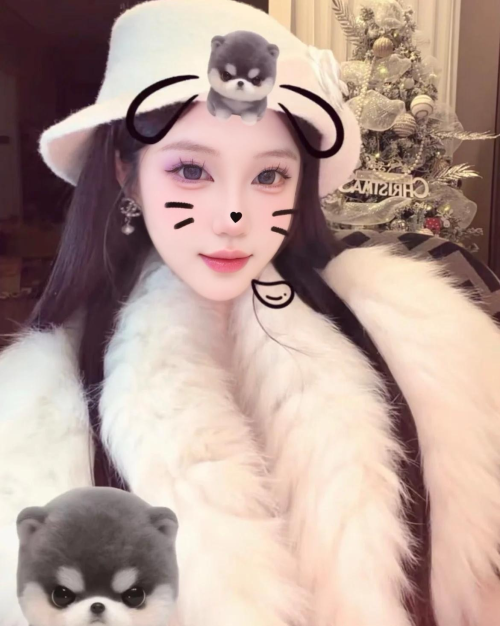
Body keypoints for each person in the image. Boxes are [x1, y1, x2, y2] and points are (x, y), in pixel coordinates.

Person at [1, 1, 500, 625]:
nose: (232, 218)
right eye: (190, 170)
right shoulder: (35, 419)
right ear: (127, 174)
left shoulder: (422, 337)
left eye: (269, 176)